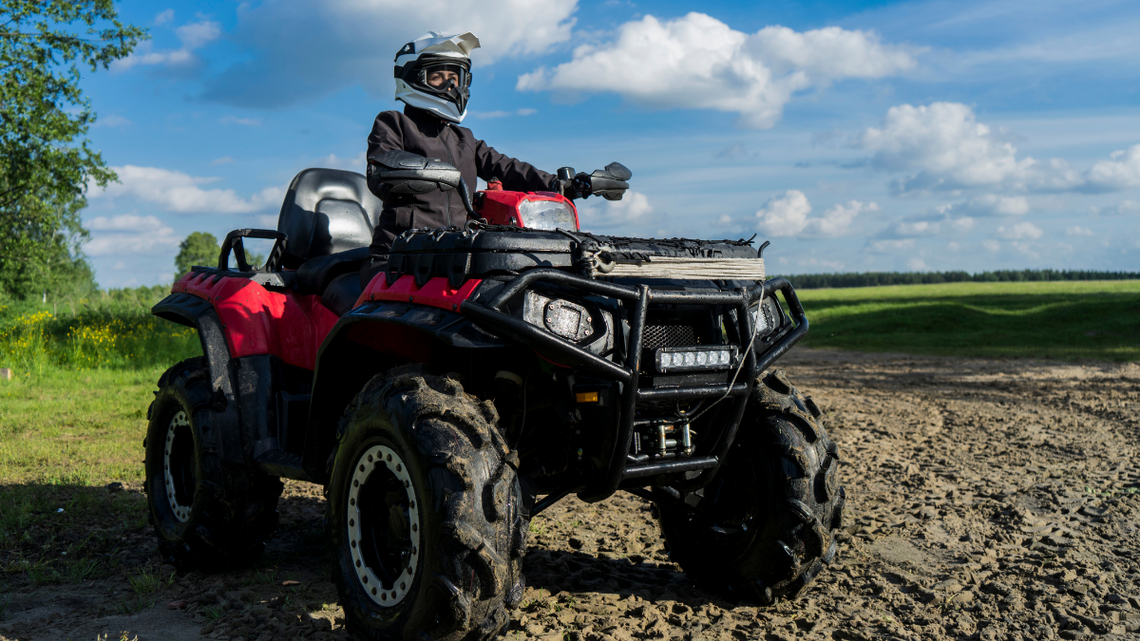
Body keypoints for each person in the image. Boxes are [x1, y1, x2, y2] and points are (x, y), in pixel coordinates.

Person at [361, 31, 578, 287]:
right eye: (437, 77)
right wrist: (427, 171)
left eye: (455, 78)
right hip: (397, 257)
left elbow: (508, 167)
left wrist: (562, 184)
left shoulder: (464, 138)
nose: (450, 87)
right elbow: (382, 169)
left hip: (454, 257)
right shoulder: (394, 123)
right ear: (413, 77)